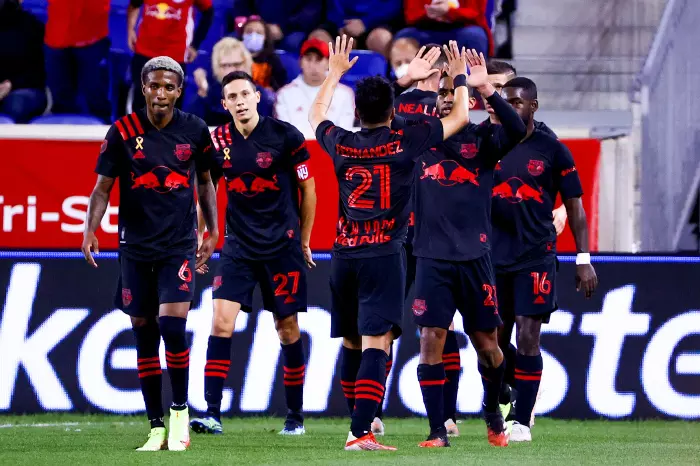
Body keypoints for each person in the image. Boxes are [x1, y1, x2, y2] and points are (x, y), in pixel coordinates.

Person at [309, 36, 471, 451]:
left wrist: (335, 74)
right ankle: (360, 432)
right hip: (384, 254)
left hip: (342, 254)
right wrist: (457, 76)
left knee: (350, 339)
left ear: (357, 112)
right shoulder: (405, 143)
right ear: (394, 111)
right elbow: (461, 117)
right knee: (376, 343)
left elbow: (316, 113)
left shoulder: (341, 143)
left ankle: (358, 423)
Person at [81, 57, 219, 451]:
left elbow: (206, 182)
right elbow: (103, 187)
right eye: (153, 86)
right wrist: (90, 228)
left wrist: (211, 230)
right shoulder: (122, 131)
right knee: (142, 331)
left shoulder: (194, 130)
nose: (160, 93)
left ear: (179, 91)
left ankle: (179, 414)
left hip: (178, 245)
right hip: (134, 246)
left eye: (168, 87)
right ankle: (155, 426)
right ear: (143, 88)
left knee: (172, 327)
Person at [410, 47, 527, 448]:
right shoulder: (418, 140)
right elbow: (374, 118)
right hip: (430, 258)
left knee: (489, 347)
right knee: (431, 341)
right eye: (441, 90)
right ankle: (437, 429)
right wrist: (407, 79)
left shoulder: (484, 140)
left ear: (469, 99)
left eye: (453, 89)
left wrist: (488, 89)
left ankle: (493, 412)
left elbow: (517, 130)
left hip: (475, 259)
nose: (445, 95)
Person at [189, 70, 317, 436]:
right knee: (220, 321)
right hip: (239, 248)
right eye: (233, 96)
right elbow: (208, 188)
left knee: (287, 328)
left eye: (246, 94)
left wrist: (304, 239)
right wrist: (208, 232)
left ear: (258, 97)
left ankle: (295, 417)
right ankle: (212, 413)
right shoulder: (218, 142)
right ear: (224, 103)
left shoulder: (287, 137)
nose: (241, 101)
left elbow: (309, 189)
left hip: (282, 247)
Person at [491, 77, 598, 442]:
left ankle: (521, 420)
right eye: (506, 102)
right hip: (490, 258)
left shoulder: (552, 150)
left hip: (536, 256)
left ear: (533, 107)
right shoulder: (487, 145)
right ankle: (504, 390)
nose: (510, 108)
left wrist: (582, 257)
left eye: (517, 103)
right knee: (493, 340)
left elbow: (575, 208)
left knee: (528, 335)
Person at [370, 43, 451, 438]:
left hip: (440, 232)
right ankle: (372, 410)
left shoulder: (457, 109)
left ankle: (446, 413)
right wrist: (404, 82)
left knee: (438, 323)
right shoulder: (400, 105)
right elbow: (367, 112)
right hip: (399, 229)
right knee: (389, 323)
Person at [127, 0, 214, 112]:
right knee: (141, 100)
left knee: (172, 104)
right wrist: (130, 30)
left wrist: (195, 44)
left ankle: (171, 130)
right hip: (144, 51)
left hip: (175, 54)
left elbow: (208, 12)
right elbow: (134, 4)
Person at [44, 0, 111, 123]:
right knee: (61, 101)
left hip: (93, 38)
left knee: (96, 97)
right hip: (57, 37)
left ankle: (104, 137)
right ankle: (62, 138)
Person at [275, 38, 355, 139]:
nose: (313, 65)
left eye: (318, 59)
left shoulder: (345, 94)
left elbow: (345, 132)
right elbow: (284, 133)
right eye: (308, 59)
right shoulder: (284, 94)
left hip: (333, 151)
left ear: (328, 62)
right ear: (300, 62)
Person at [185, 37, 274, 126]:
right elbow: (191, 126)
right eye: (226, 65)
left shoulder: (258, 94)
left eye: (237, 64)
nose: (232, 70)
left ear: (246, 64)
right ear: (217, 68)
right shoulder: (209, 93)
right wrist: (202, 93)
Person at [0, 0, 47, 123]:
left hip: (23, 88)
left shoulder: (33, 27)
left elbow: (40, 72)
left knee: (17, 103)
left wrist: (11, 85)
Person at [396, 0, 493, 58]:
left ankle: (473, 85)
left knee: (475, 36)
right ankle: (403, 84)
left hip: (463, 28)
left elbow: (476, 13)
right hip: (427, 27)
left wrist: (449, 11)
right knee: (404, 36)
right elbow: (411, 15)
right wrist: (430, 13)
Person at [230, 0, 323, 52]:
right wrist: (255, 25)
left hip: (291, 30)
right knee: (231, 41)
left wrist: (283, 28)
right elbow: (241, 6)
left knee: (293, 42)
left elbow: (310, 12)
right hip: (256, 26)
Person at [317, 0, 403, 56]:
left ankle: (387, 81)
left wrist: (365, 23)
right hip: (342, 23)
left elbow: (393, 6)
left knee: (382, 39)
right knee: (318, 39)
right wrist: (342, 26)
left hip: (375, 22)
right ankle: (325, 82)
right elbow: (333, 5)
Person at [239, 16, 287, 91]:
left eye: (259, 33)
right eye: (249, 31)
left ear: (265, 37)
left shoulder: (272, 59)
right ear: (242, 35)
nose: (253, 35)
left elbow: (280, 84)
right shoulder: (236, 57)